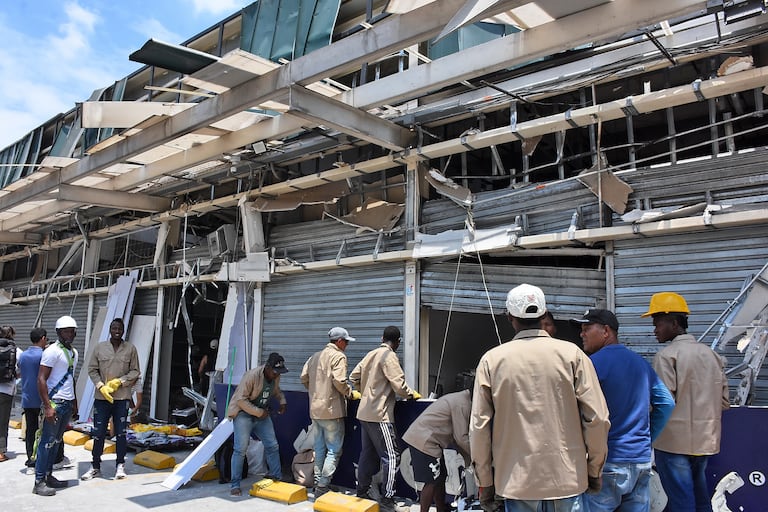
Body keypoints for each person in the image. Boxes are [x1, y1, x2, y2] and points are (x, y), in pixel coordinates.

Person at [471, 284, 610, 512]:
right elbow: (598, 418)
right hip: (568, 481)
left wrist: (485, 482)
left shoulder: (492, 361)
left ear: (510, 318)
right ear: (544, 314)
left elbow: (479, 427)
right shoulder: (573, 355)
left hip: (517, 485)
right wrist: (594, 470)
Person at [571, 308, 675, 511]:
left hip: (608, 464)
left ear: (606, 331)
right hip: (641, 462)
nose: (582, 334)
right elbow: (666, 403)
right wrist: (646, 438)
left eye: (587, 328)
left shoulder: (591, 365)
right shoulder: (640, 363)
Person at [642, 292, 730, 512]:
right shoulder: (712, 355)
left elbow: (662, 402)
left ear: (674, 323)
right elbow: (724, 401)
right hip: (705, 442)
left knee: (681, 502)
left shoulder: (666, 356)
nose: (655, 330)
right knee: (701, 499)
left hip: (673, 444)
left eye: (658, 324)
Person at [350, 325, 421, 512]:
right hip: (380, 414)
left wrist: (366, 391)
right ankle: (387, 499)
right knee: (392, 457)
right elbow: (399, 385)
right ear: (397, 342)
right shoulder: (389, 357)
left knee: (367, 454)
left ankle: (362, 491)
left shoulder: (371, 354)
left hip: (364, 413)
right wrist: (411, 394)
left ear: (382, 338)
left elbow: (353, 376)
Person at [300, 327, 360, 498]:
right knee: (333, 450)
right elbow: (340, 381)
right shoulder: (338, 356)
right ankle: (323, 485)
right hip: (332, 411)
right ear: (339, 341)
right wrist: (350, 393)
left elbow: (303, 378)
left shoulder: (315, 356)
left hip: (315, 410)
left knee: (319, 448)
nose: (347, 345)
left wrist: (315, 392)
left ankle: (318, 484)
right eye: (346, 341)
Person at [81, 317, 140, 482]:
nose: (117, 331)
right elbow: (92, 369)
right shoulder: (100, 348)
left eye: (120, 329)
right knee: (99, 433)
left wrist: (120, 382)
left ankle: (120, 465)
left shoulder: (130, 349)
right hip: (102, 398)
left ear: (124, 330)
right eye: (114, 328)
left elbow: (135, 371)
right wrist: (101, 385)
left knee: (121, 433)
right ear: (110, 329)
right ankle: (95, 466)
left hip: (122, 398)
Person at [226, 351, 288, 496]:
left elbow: (276, 391)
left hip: (261, 413)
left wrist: (282, 401)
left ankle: (276, 476)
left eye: (279, 373)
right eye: (275, 372)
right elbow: (241, 400)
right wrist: (259, 412)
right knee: (240, 449)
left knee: (272, 445)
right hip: (243, 414)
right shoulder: (252, 376)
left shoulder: (275, 377)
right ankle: (235, 485)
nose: (277, 375)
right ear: (267, 367)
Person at [402, 384, 472, 512]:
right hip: (425, 441)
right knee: (432, 481)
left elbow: (458, 439)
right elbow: (461, 437)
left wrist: (469, 460)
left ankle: (441, 508)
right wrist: (475, 458)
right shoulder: (463, 403)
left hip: (428, 440)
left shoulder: (460, 399)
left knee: (441, 477)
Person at [33, 315, 79, 496]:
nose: (69, 334)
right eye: (66, 331)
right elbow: (41, 379)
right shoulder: (52, 351)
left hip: (67, 402)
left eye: (72, 331)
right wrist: (47, 406)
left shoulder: (73, 352)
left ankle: (49, 475)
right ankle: (39, 481)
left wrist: (75, 402)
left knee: (56, 442)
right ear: (58, 332)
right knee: (46, 442)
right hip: (55, 402)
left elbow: (70, 378)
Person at [18, 327, 47, 467]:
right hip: (42, 399)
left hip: (27, 398)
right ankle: (42, 458)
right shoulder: (44, 355)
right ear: (42, 338)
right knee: (44, 431)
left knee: (31, 429)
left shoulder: (23, 356)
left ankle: (31, 457)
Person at [0, 325, 21, 463]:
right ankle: (1, 452)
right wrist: (15, 375)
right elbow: (23, 369)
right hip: (7, 390)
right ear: (12, 335)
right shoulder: (17, 351)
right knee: (2, 422)